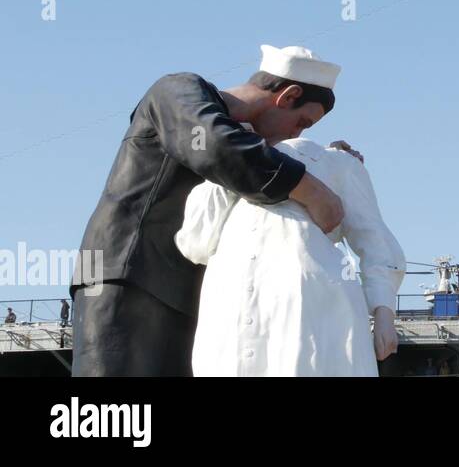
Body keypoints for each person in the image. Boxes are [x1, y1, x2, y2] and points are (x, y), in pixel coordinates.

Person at [70, 45, 353, 377]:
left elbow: (244, 155)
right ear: (288, 96)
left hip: (180, 294)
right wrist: (312, 188)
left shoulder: (247, 141)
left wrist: (328, 158)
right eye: (301, 123)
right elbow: (218, 146)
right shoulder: (177, 90)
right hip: (123, 274)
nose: (296, 135)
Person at [176, 138, 404, 376]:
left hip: (307, 305)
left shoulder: (334, 162)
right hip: (230, 301)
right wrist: (231, 166)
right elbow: (194, 245)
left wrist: (383, 310)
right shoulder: (219, 173)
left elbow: (374, 239)